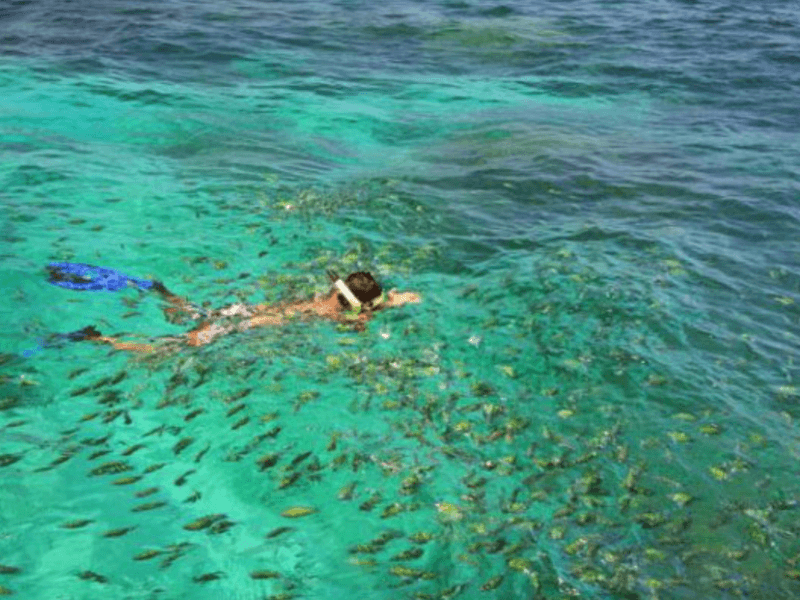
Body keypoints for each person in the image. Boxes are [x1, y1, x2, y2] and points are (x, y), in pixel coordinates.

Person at [75, 271, 421, 353]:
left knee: (198, 310)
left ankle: (156, 289)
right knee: (172, 348)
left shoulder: (321, 300)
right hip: (242, 327)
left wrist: (390, 300)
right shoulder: (339, 315)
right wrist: (386, 307)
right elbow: (363, 323)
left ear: (336, 287)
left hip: (240, 310)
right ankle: (102, 339)